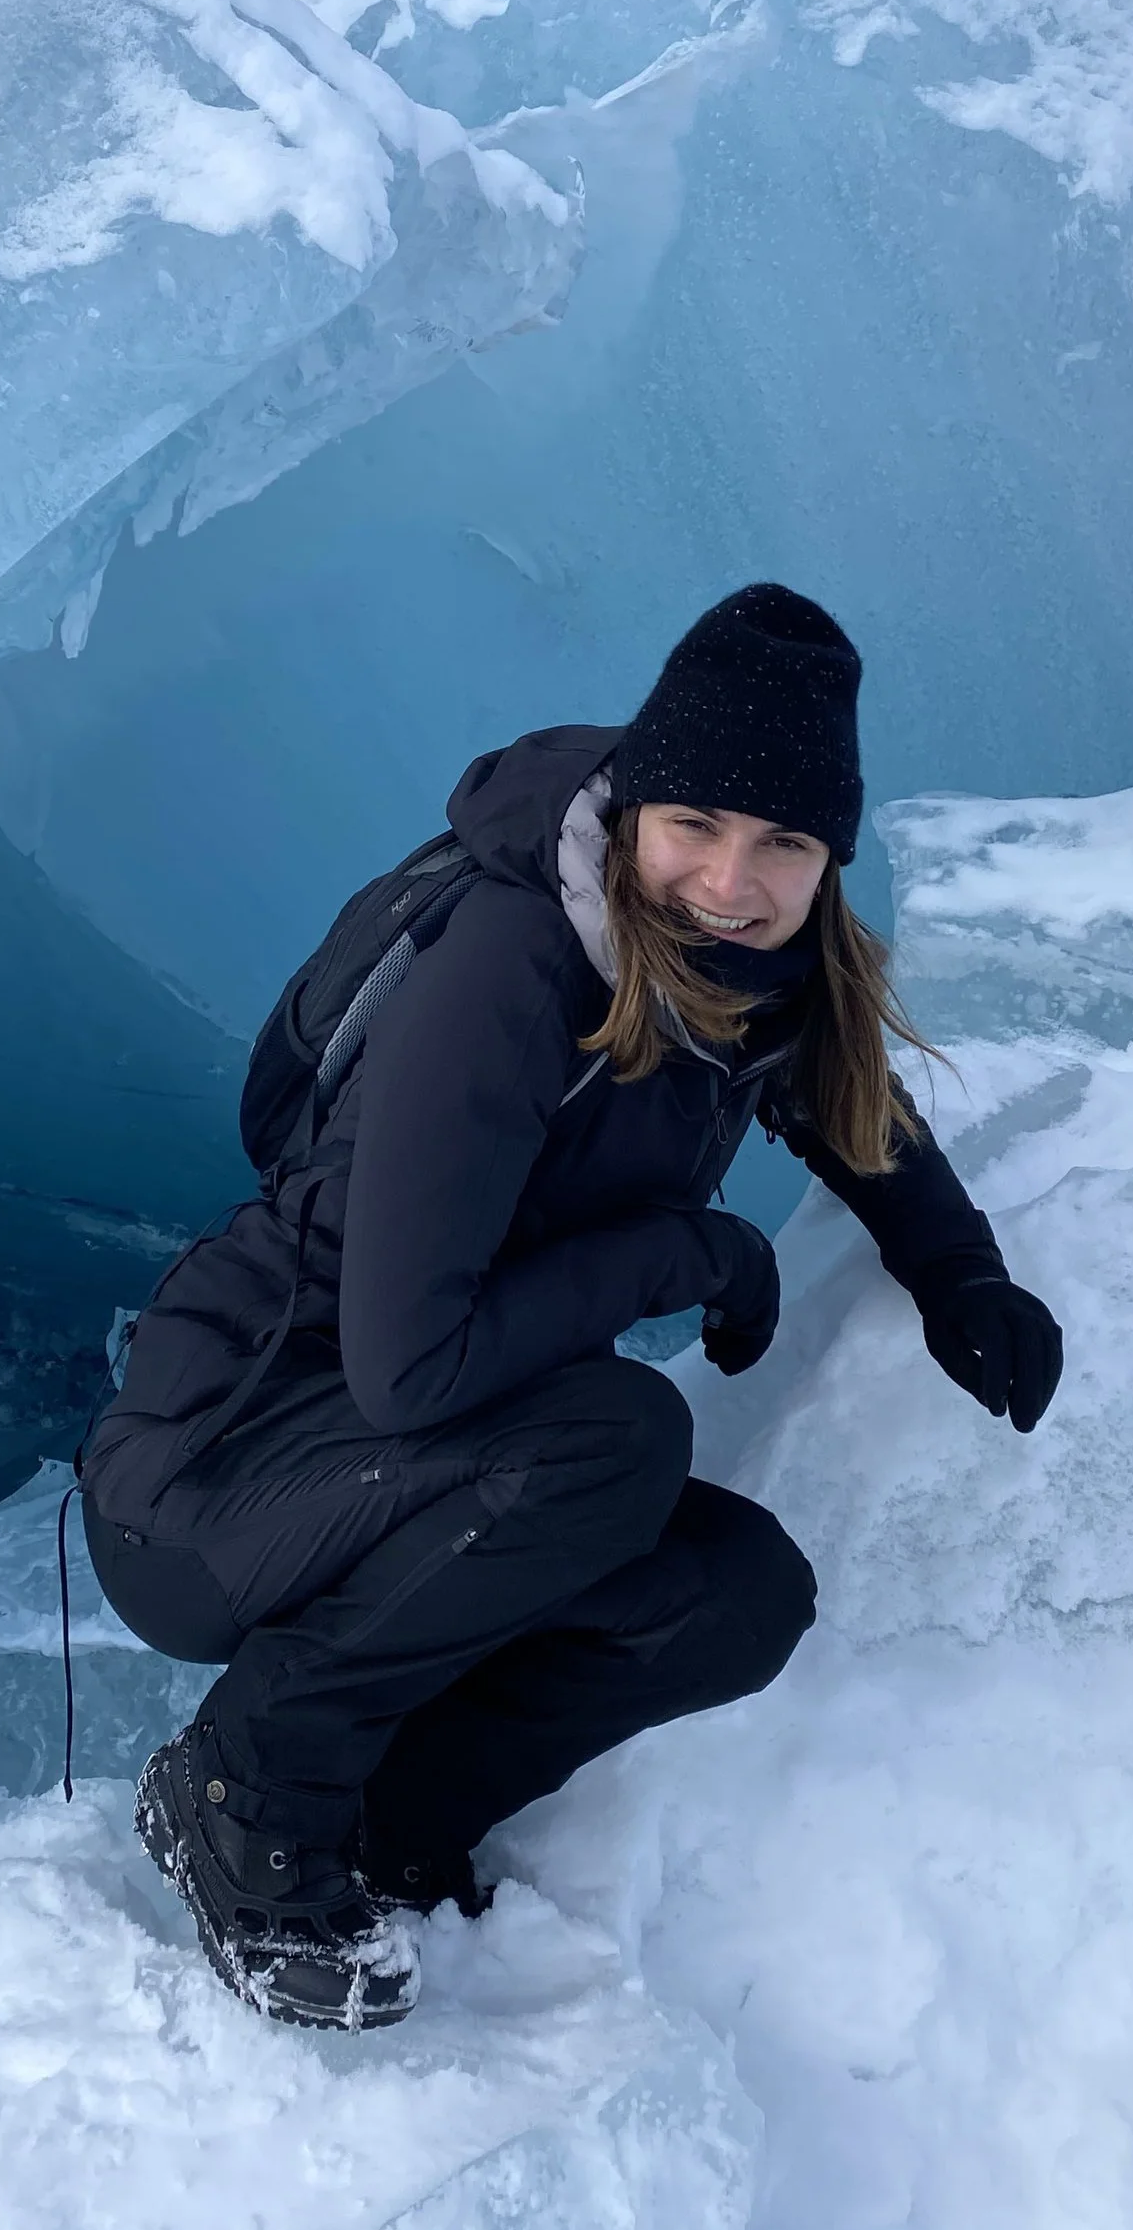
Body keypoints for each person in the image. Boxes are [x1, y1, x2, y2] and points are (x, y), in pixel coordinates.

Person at [79, 586, 1063, 2028]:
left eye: (783, 843)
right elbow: (414, 1368)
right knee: (612, 1433)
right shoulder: (512, 963)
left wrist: (960, 1274)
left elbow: (853, 1110)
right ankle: (244, 1787)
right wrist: (698, 1257)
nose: (734, 879)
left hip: (400, 1466)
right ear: (637, 812)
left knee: (734, 1599)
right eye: (700, 831)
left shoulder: (756, 971)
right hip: (215, 1474)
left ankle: (388, 1826)